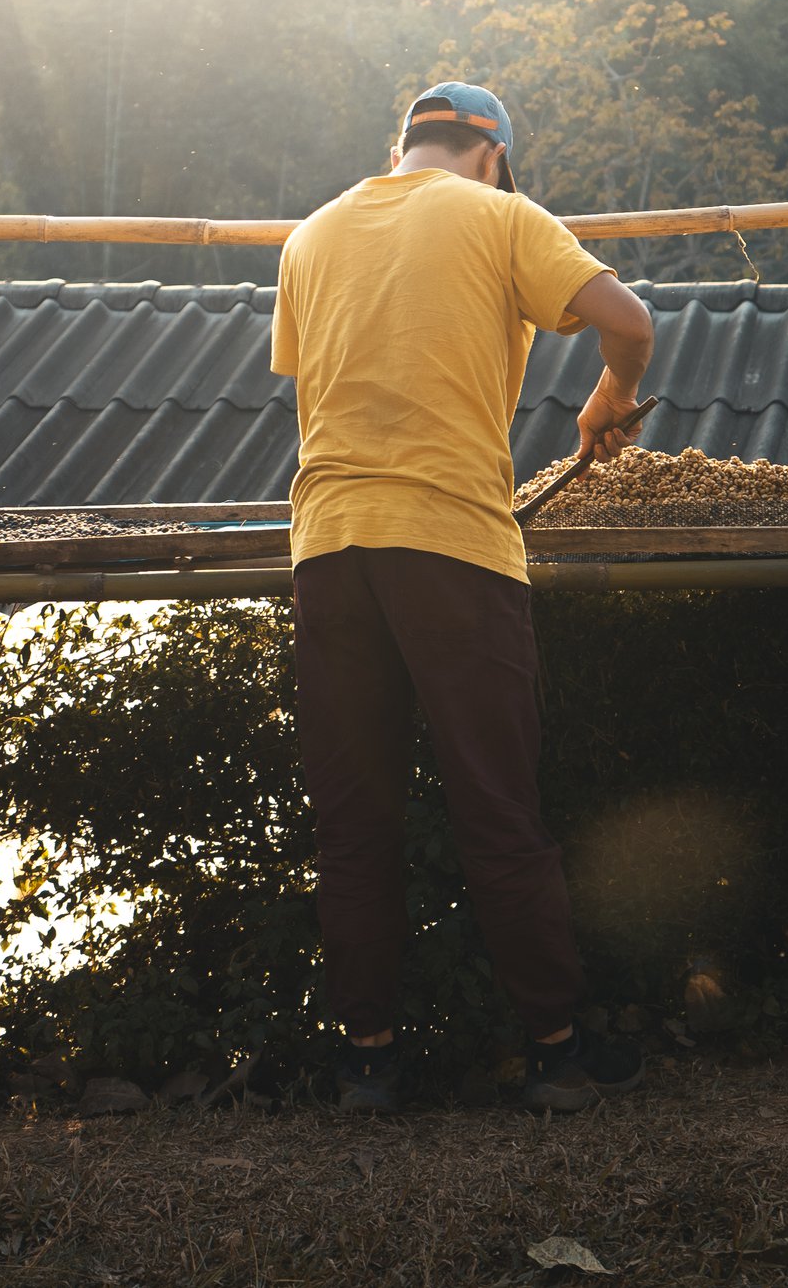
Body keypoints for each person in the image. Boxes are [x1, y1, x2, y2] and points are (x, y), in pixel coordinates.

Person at [269, 80, 660, 1113]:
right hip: (451, 543)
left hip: (326, 546)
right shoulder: (498, 215)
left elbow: (318, 385)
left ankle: (366, 1062)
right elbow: (630, 321)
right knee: (497, 811)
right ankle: (556, 1052)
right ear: (492, 157)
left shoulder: (308, 237)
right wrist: (608, 398)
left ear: (400, 147)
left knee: (353, 825)